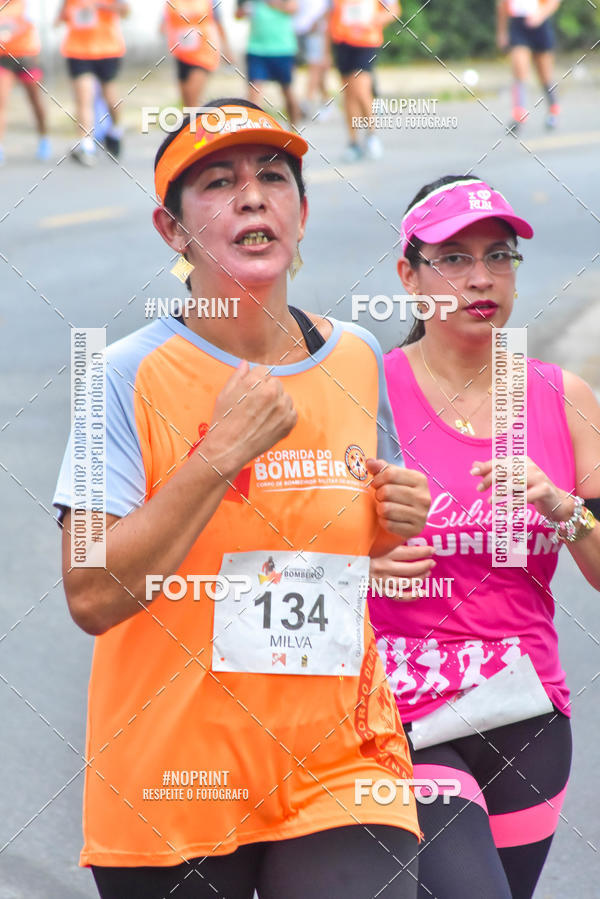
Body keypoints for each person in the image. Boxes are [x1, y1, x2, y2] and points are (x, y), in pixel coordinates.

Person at [53, 98, 433, 898]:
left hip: (338, 759)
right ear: (173, 231)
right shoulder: (123, 374)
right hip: (174, 774)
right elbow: (90, 590)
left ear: (302, 210)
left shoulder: (359, 356)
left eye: (272, 177)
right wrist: (217, 455)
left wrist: (396, 526)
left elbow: (359, 544)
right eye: (219, 183)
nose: (253, 196)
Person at [369, 174, 600, 899]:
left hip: (524, 711)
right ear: (409, 275)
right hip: (403, 705)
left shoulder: (564, 399)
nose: (481, 278)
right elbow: (289, 552)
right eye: (454, 257)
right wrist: (364, 562)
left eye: (499, 256)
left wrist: (563, 506)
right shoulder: (361, 393)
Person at [55, 0, 129, 165]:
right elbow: (60, 18)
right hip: (78, 50)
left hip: (107, 49)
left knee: (109, 96)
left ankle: (116, 130)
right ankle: (86, 146)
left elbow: (125, 11)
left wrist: (100, 6)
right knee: (83, 98)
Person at [329, 0, 399, 161]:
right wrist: (325, 50)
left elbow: (393, 10)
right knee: (349, 93)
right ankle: (353, 142)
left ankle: (372, 134)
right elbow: (330, 14)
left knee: (361, 89)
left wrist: (374, 19)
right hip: (343, 42)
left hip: (366, 42)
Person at [496, 0, 562, 133]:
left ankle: (553, 109)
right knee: (519, 70)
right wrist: (502, 32)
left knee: (544, 75)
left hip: (540, 24)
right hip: (518, 25)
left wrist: (541, 15)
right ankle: (519, 114)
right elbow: (502, 6)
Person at [0, 0, 51, 164]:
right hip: (3, 57)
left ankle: (44, 138)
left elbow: (33, 23)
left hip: (26, 55)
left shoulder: (25, 4)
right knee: (1, 102)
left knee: (35, 100)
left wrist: (12, 29)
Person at [161, 0, 232, 109]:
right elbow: (163, 26)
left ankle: (199, 123)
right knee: (186, 103)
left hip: (204, 55)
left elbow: (219, 25)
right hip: (182, 55)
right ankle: (191, 124)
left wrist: (227, 50)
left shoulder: (211, 2)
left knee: (192, 98)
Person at [241, 0, 301, 126]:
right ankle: (253, 131)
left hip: (282, 49)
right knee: (254, 94)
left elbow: (293, 8)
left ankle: (295, 128)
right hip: (256, 49)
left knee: (288, 91)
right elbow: (238, 14)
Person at [294, 0, 332, 120]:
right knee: (317, 70)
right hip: (297, 29)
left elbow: (330, 8)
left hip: (316, 31)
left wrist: (319, 21)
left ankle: (307, 102)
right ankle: (327, 101)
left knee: (314, 67)